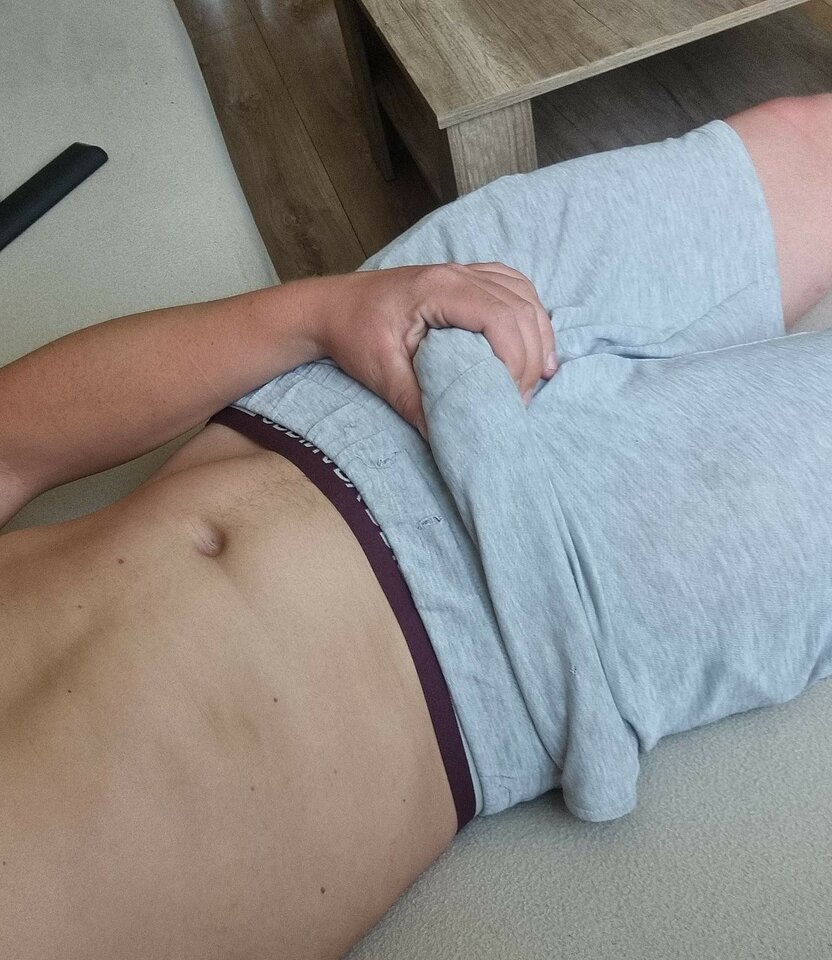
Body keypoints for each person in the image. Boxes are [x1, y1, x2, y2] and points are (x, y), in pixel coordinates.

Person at [1, 93, 831, 959]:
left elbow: (11, 443)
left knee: (806, 141)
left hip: (343, 388)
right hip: (533, 620)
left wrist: (320, 315)